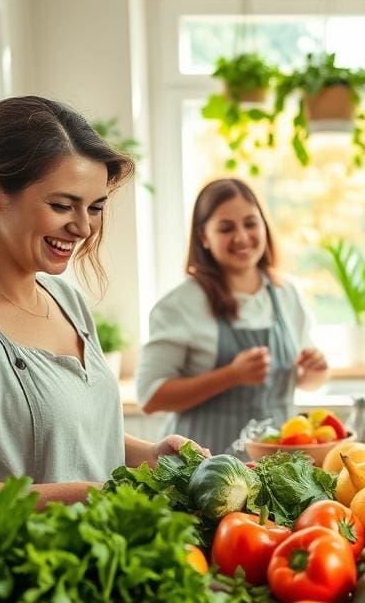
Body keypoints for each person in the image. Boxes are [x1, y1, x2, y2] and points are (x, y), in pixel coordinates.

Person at [0, 96, 205, 558]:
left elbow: (69, 432)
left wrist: (149, 457)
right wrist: (92, 497)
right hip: (5, 591)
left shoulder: (66, 299)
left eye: (95, 207)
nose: (83, 228)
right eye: (63, 205)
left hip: (90, 577)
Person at [136, 178, 329, 455]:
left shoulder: (287, 294)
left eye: (250, 224)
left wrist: (314, 370)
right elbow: (150, 397)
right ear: (204, 236)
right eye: (226, 228)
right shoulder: (180, 304)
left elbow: (304, 381)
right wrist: (230, 376)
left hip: (274, 467)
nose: (241, 237)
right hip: (199, 467)